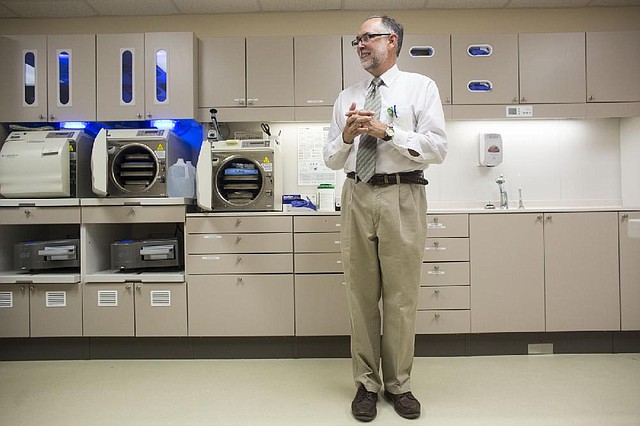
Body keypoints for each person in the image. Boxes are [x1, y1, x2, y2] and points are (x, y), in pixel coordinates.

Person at [323, 15, 447, 422]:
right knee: (360, 296)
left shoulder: (420, 87)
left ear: (392, 41)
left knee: (400, 298)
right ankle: (366, 384)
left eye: (368, 38)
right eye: (356, 40)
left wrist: (387, 131)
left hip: (403, 193)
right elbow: (329, 158)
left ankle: (399, 384)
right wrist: (347, 136)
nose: (360, 45)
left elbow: (437, 148)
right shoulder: (347, 96)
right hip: (357, 193)